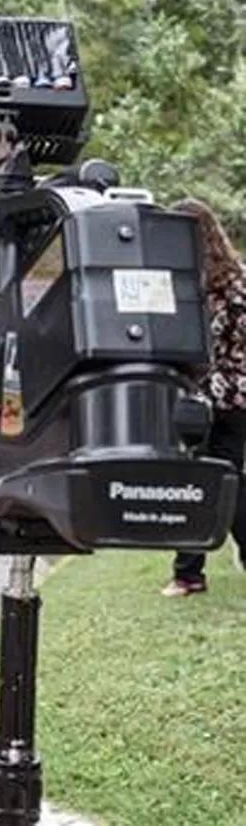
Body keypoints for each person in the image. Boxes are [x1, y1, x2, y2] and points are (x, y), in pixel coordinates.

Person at [164, 198, 246, 596]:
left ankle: (188, 574)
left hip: (217, 398)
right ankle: (189, 571)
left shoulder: (213, 286)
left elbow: (204, 346)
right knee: (225, 480)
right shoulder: (234, 277)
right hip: (234, 398)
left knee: (204, 481)